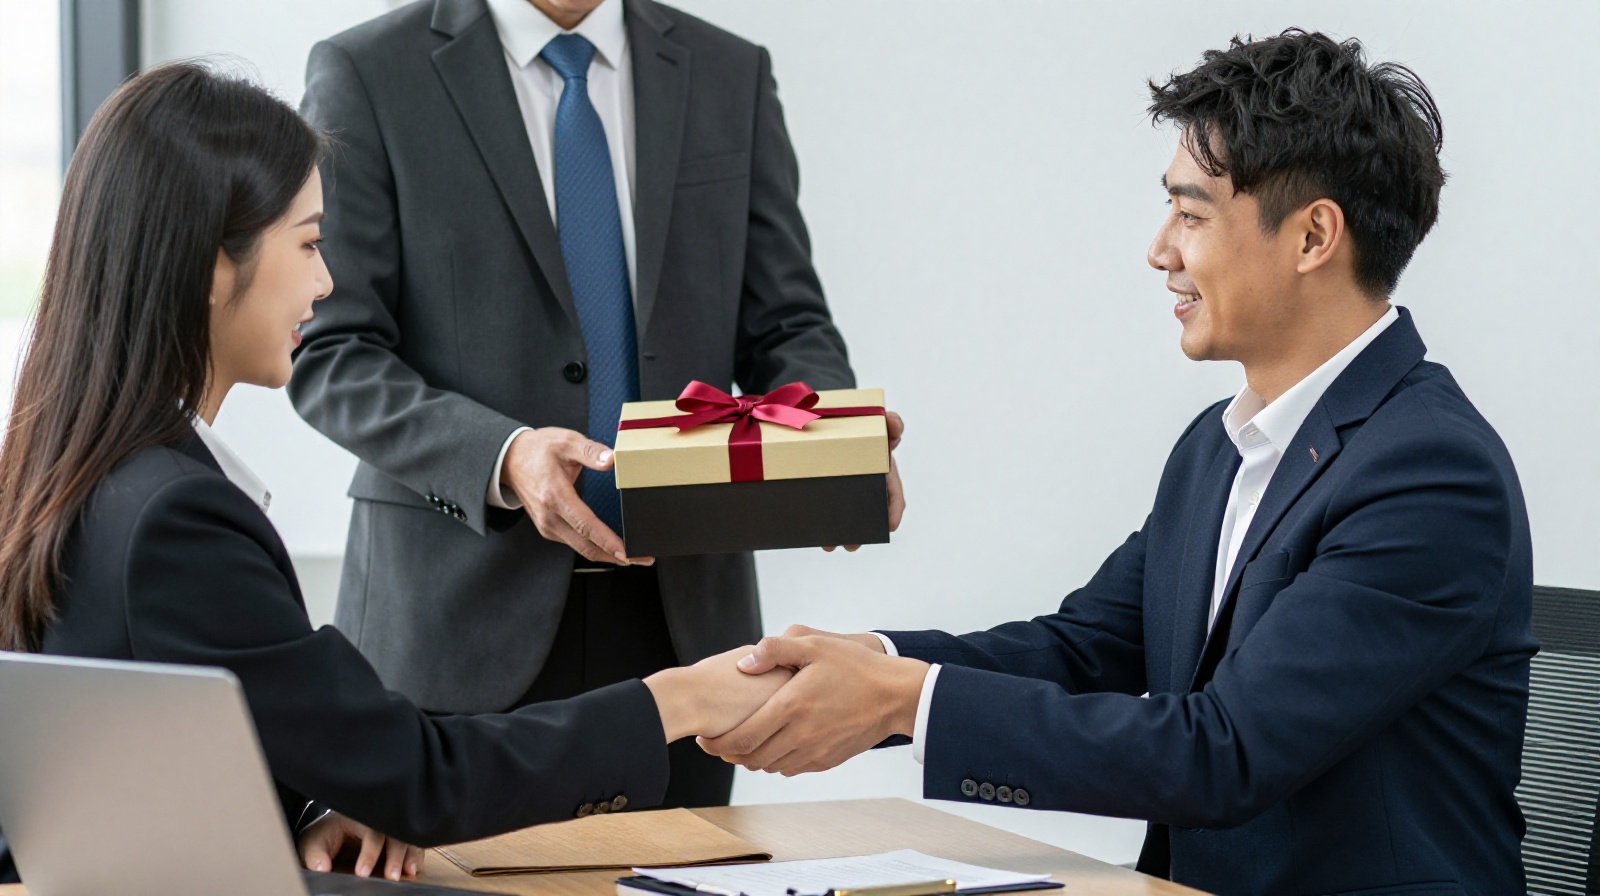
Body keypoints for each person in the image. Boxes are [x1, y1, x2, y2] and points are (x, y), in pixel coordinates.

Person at [699, 30, 1536, 894]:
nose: (1160, 250)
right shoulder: (1219, 446)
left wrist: (903, 698)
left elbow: (1226, 751)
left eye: (1192, 214)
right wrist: (863, 660)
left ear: (1314, 235)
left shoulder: (1431, 473)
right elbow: (1083, 648)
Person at [0, 62, 789, 887]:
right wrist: (681, 702)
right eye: (308, 243)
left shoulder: (85, 474)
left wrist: (307, 811)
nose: (326, 282)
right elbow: (424, 777)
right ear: (210, 265)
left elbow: (172, 761)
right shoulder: (174, 517)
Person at [288, 0, 904, 811]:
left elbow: (786, 322)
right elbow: (332, 351)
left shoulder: (730, 71)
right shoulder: (366, 71)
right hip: (454, 630)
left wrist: (831, 443)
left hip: (685, 630)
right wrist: (503, 456)